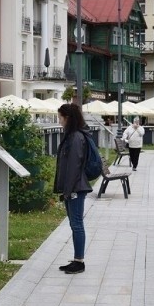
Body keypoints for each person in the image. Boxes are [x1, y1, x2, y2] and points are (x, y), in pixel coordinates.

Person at [53, 103, 93, 275]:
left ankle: (80, 262)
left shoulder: (76, 137)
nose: (59, 120)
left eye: (60, 117)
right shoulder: (71, 135)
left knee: (77, 224)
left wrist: (68, 191)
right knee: (74, 223)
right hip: (73, 187)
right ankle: (77, 259)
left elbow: (74, 165)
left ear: (67, 118)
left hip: (76, 187)